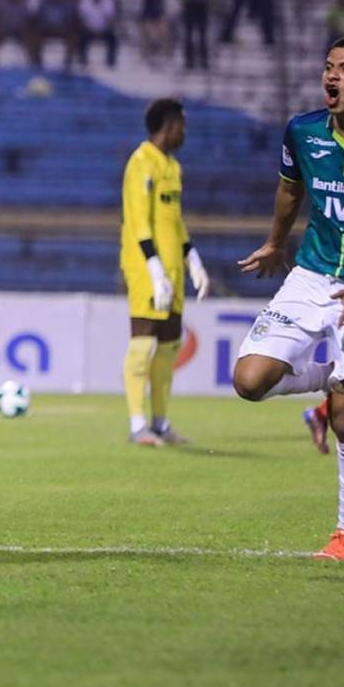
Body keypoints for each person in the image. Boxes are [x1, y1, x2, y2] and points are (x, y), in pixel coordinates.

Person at [233, 37, 344, 561]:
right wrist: (275, 242)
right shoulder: (302, 131)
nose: (332, 76)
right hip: (310, 275)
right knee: (249, 380)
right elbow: (290, 189)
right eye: (328, 67)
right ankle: (341, 376)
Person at [120, 98, 210, 446]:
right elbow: (138, 219)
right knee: (142, 343)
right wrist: (153, 267)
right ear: (169, 124)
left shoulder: (172, 166)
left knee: (169, 345)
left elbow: (173, 221)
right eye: (182, 125)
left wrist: (193, 259)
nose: (184, 132)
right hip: (146, 268)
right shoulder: (141, 162)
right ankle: (136, 424)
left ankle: (159, 422)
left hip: (172, 268)